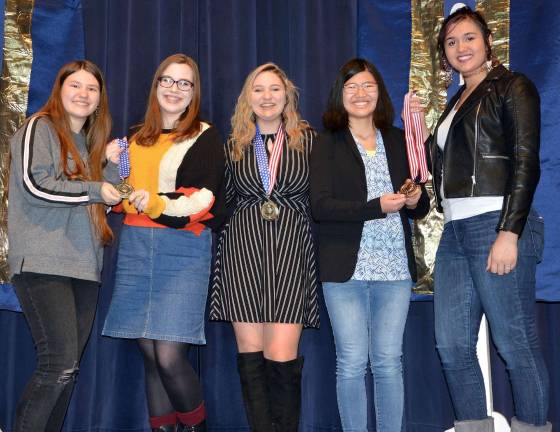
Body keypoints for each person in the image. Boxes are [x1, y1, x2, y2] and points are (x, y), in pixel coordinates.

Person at [422, 5, 551, 432]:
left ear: (488, 40)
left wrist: (509, 231)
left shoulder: (513, 86)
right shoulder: (456, 101)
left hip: (497, 222)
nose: (461, 47)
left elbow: (526, 162)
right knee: (452, 345)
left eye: (469, 38)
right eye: (451, 42)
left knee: (516, 344)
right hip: (455, 232)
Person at [102, 53, 225, 432]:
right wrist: (109, 165)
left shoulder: (205, 134)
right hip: (137, 247)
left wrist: (154, 202)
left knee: (169, 355)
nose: (174, 90)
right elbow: (117, 197)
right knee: (150, 355)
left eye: (184, 83)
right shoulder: (135, 137)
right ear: (155, 86)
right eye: (167, 81)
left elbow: (204, 199)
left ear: (194, 93)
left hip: (183, 250)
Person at [309, 57, 429, 432]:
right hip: (344, 269)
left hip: (394, 268)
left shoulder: (397, 139)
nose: (361, 94)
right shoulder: (325, 143)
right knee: (351, 361)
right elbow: (321, 206)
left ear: (380, 92)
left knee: (389, 361)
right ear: (339, 95)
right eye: (352, 87)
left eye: (368, 86)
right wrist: (375, 207)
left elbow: (420, 203)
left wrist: (413, 199)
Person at [8, 60, 121, 432]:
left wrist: (112, 169)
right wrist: (94, 187)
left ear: (100, 99)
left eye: (92, 89)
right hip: (42, 263)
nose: (83, 94)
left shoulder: (90, 144)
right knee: (57, 364)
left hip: (84, 266)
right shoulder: (39, 127)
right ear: (60, 89)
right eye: (76, 85)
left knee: (67, 371)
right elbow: (34, 185)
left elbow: (105, 199)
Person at [210, 62, 318, 432]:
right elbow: (217, 199)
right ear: (247, 98)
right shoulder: (233, 146)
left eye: (274, 89)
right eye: (258, 90)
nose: (267, 97)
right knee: (251, 357)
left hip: (290, 249)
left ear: (287, 95)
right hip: (242, 249)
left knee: (282, 356)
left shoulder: (308, 140)